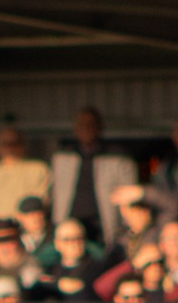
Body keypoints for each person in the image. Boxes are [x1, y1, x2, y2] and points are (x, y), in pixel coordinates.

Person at [50, 106, 139, 249]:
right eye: (81, 125)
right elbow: (53, 193)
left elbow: (129, 198)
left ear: (99, 127)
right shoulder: (62, 157)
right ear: (75, 128)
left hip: (103, 229)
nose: (86, 129)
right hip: (70, 227)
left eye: (91, 124)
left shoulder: (118, 158)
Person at [0, 125, 51, 220]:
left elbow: (41, 201)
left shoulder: (38, 169)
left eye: (14, 143)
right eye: (4, 143)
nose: (9, 147)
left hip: (24, 226)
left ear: (23, 145)